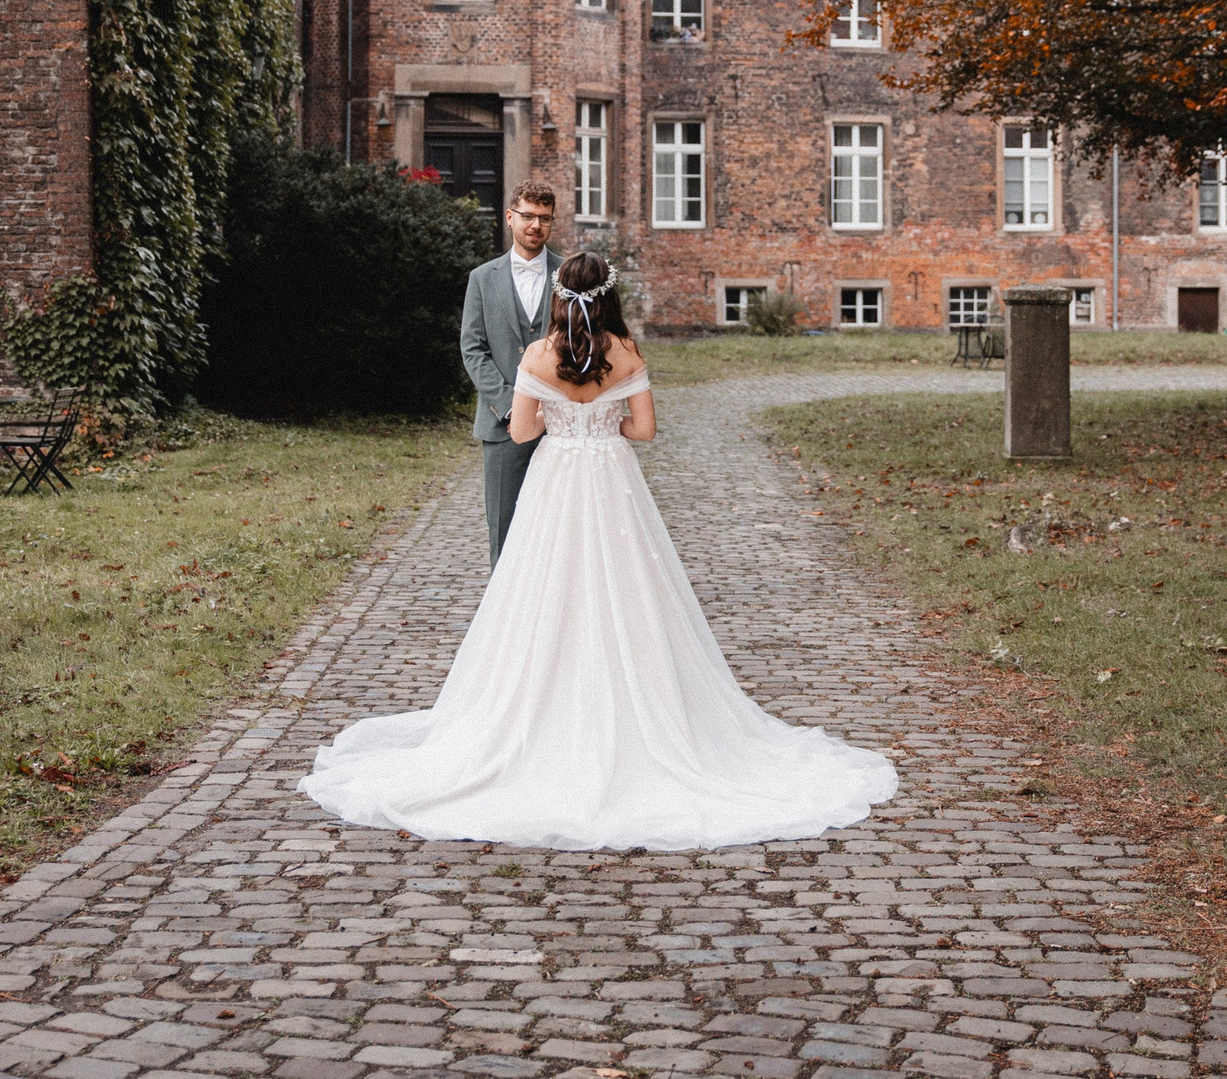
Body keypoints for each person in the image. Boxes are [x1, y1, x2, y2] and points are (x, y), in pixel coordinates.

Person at [299, 252, 898, 851]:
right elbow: (644, 431)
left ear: (560, 296)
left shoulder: (537, 355)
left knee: (543, 588)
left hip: (555, 480)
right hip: (612, 480)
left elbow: (521, 432)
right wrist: (601, 424)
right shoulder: (627, 353)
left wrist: (559, 420)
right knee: (630, 589)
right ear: (611, 297)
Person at [459, 181, 560, 565]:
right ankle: (504, 620)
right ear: (510, 217)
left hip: (559, 425)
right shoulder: (482, 278)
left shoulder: (569, 275)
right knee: (504, 528)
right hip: (501, 426)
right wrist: (508, 404)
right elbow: (473, 348)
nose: (536, 225)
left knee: (558, 528)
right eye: (528, 216)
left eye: (545, 218)